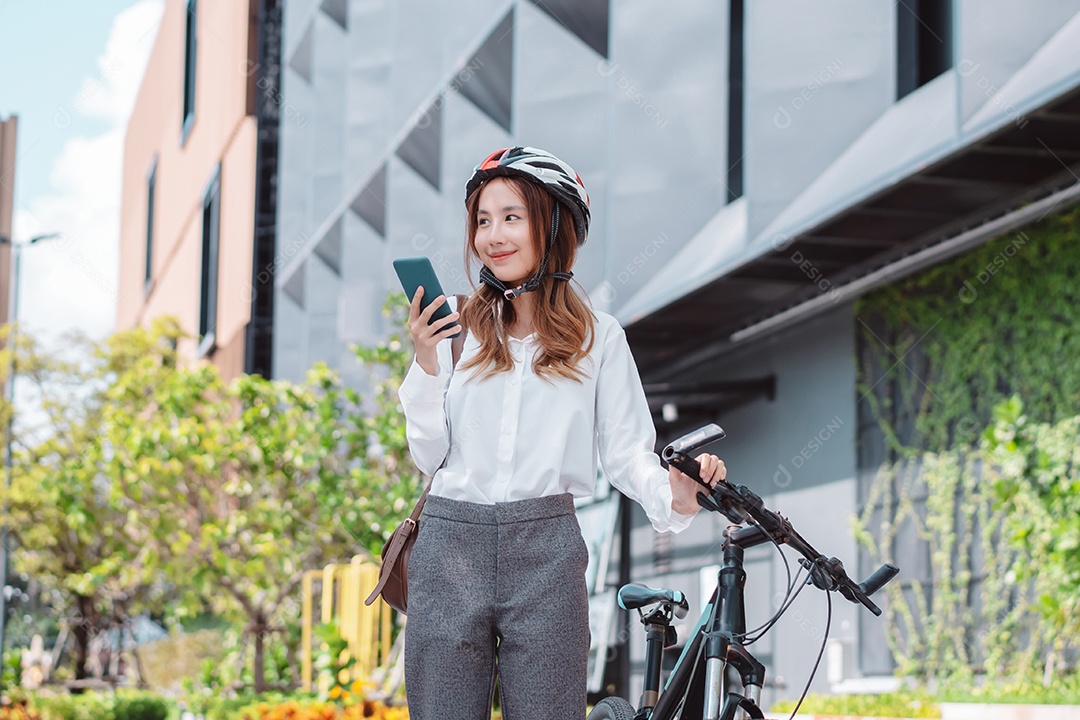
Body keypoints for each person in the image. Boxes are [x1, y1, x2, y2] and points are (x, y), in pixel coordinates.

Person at [398, 146, 727, 720]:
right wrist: (427, 364)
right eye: (482, 219)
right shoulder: (452, 328)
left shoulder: (600, 338)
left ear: (553, 228)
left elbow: (626, 454)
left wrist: (673, 495)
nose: (492, 235)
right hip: (450, 544)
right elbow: (429, 456)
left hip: (547, 550)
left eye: (511, 217)